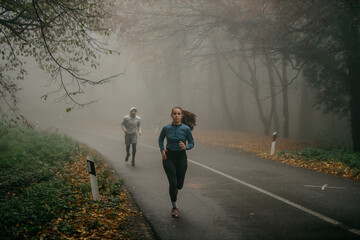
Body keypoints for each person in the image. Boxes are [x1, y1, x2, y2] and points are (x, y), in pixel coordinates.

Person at [158, 106, 196, 218]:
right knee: (173, 183)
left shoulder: (186, 129)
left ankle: (177, 189)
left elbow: (192, 142)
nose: (176, 115)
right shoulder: (166, 128)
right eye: (174, 113)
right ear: (171, 115)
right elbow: (160, 140)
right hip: (168, 157)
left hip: (181, 157)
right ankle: (174, 207)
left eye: (178, 114)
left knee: (179, 185)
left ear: (181, 115)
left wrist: (186, 146)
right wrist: (162, 150)